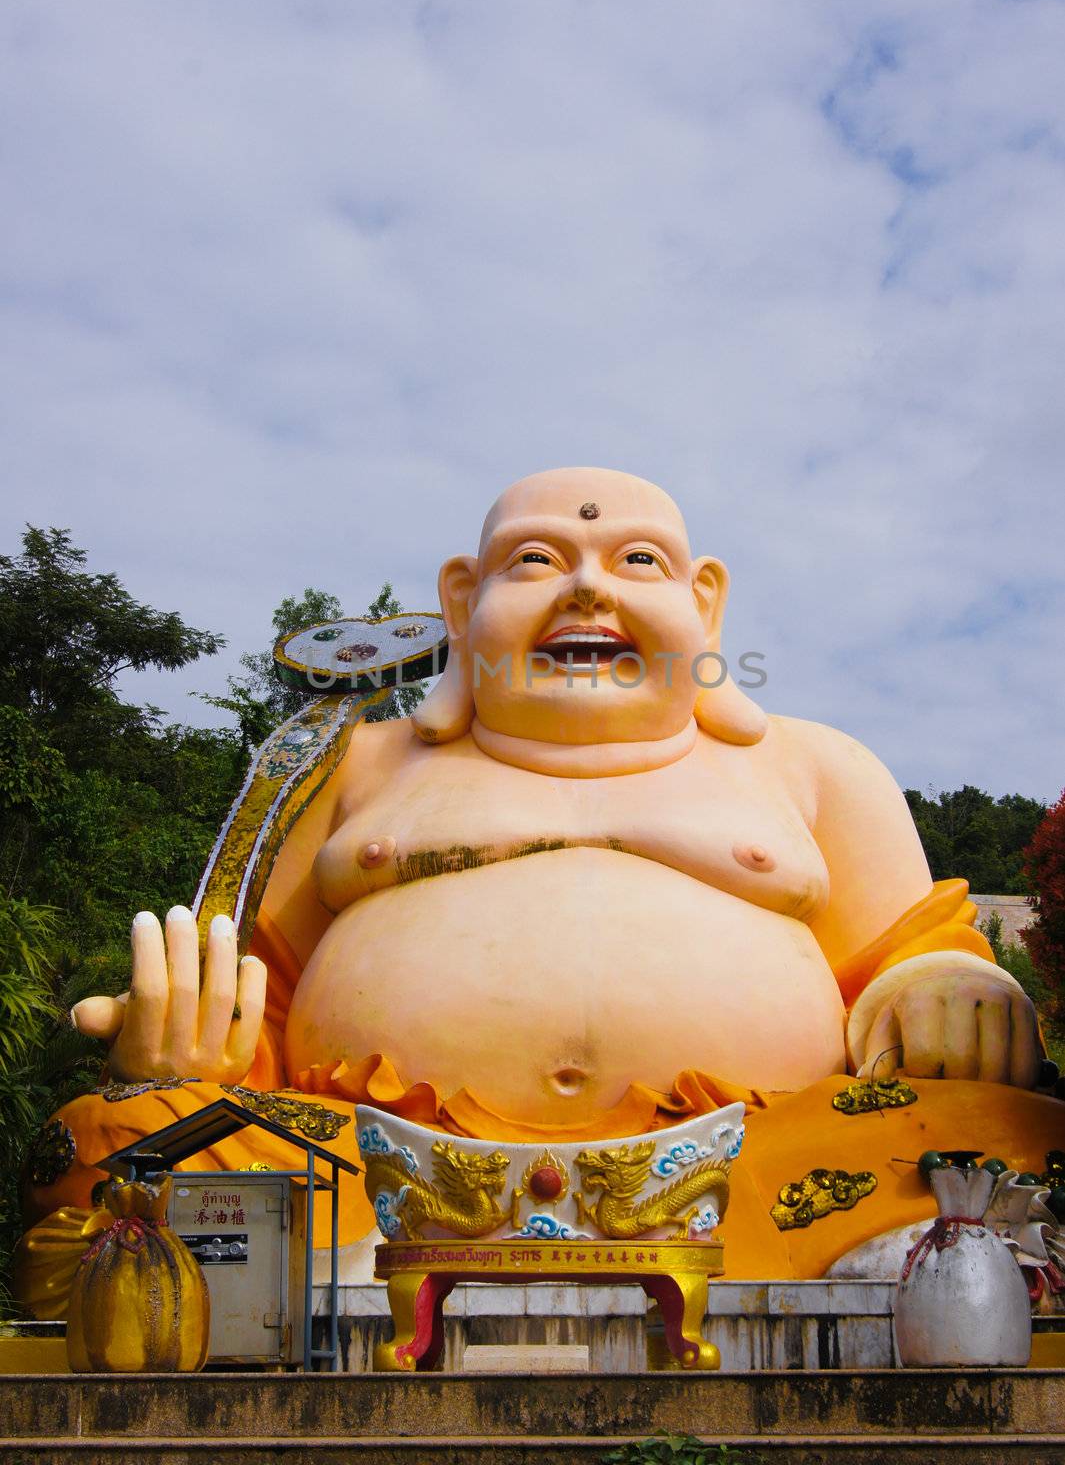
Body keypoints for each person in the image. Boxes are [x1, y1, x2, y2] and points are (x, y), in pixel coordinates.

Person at [22, 468, 1063, 1288]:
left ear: (705, 602)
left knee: (1005, 1134)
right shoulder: (359, 765)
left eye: (637, 558)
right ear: (463, 599)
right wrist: (190, 1049)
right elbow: (270, 1002)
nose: (588, 587)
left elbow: (908, 948)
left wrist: (939, 985)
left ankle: (867, 1254)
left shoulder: (813, 765)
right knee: (117, 1136)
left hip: (755, 1157)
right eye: (535, 559)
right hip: (380, 1165)